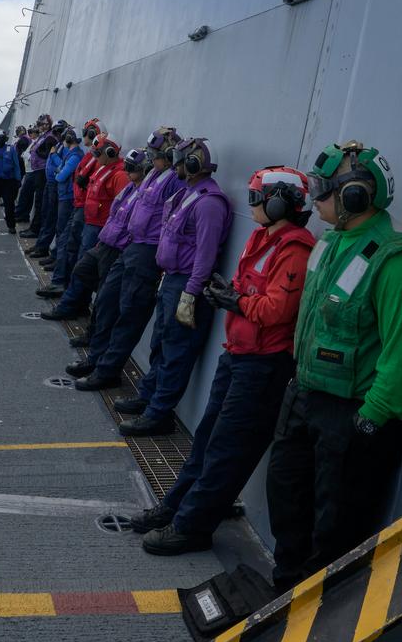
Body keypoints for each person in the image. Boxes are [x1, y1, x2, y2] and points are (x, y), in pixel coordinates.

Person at [267, 141, 402, 587]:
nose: (314, 196)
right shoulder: (329, 243)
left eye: (322, 188)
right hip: (304, 397)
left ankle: (312, 617)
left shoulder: (398, 262)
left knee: (335, 525)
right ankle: (283, 590)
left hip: (351, 415)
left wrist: (368, 421)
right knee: (286, 495)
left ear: (354, 196)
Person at [135, 167, 318, 555]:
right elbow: (248, 287)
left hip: (263, 366)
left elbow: (277, 310)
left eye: (257, 198)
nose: (251, 204)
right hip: (237, 355)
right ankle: (174, 508)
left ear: (280, 202)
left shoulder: (296, 249)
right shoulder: (262, 238)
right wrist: (229, 292)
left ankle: (192, 527)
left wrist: (238, 302)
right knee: (205, 440)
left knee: (226, 449)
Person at [113, 136, 232, 437]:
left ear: (193, 164)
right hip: (171, 280)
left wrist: (191, 292)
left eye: (179, 160)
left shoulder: (209, 204)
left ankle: (158, 415)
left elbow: (205, 255)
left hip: (186, 285)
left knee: (176, 352)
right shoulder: (189, 195)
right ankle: (147, 398)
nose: (173, 165)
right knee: (160, 344)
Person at [76, 128, 185, 386]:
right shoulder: (153, 176)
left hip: (147, 253)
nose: (151, 158)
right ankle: (96, 358)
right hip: (131, 247)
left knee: (130, 313)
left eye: (156, 154)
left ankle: (107, 372)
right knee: (106, 301)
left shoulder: (172, 180)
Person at [42, 138, 126, 318]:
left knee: (83, 266)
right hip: (90, 222)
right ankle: (79, 304)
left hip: (99, 228)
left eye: (98, 154)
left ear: (110, 153)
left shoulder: (119, 175)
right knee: (80, 263)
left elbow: (122, 208)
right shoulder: (104, 168)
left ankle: (69, 306)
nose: (95, 157)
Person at [28, 123, 73, 259]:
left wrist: (52, 155)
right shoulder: (58, 145)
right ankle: (40, 243)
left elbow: (62, 164)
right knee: (45, 213)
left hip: (55, 184)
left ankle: (43, 247)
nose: (56, 135)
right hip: (49, 183)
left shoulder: (65, 149)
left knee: (51, 216)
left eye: (59, 133)